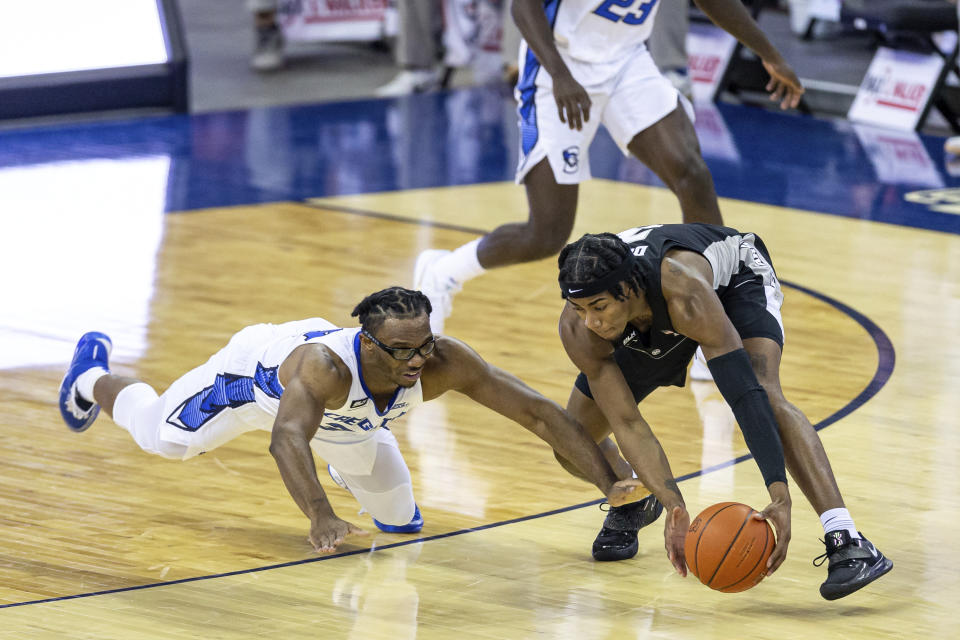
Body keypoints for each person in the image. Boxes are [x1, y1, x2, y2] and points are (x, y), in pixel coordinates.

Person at [57, 287, 646, 552]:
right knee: (163, 440)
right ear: (368, 345)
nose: (420, 361)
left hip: (352, 424)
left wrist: (609, 480)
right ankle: (90, 377)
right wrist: (321, 517)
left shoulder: (442, 359)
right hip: (250, 389)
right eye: (403, 351)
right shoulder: (324, 369)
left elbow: (541, 416)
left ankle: (347, 466)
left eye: (425, 345)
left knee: (401, 523)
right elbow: (287, 439)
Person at [412, 0, 805, 338]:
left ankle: (710, 315)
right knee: (546, 234)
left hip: (626, 62)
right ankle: (444, 271)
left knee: (693, 176)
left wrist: (769, 54)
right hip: (556, 67)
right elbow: (524, 5)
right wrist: (561, 75)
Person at [550, 223, 892, 600]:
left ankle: (846, 538)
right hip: (647, 317)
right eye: (579, 308)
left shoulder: (684, 292)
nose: (591, 322)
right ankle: (636, 500)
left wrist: (779, 494)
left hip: (732, 285)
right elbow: (628, 423)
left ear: (628, 288)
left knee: (764, 392)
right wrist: (673, 505)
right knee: (573, 442)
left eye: (598, 307)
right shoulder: (581, 328)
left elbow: (744, 396)